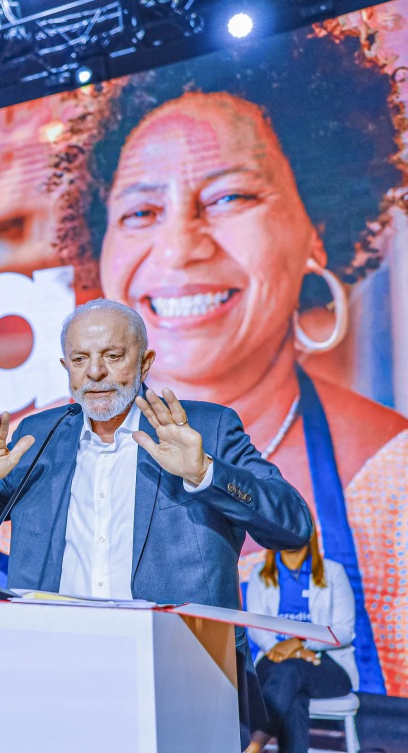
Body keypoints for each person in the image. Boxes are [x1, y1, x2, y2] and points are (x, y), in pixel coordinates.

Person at [88, 33, 407, 694]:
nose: (178, 249)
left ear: (315, 222)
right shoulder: (47, 454)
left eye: (230, 196)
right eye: (141, 211)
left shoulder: (395, 486)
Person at [0, 299, 313, 746]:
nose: (94, 372)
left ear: (146, 361)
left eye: (112, 356)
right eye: (80, 359)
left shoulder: (205, 428)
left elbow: (293, 525)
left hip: (181, 670)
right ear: (66, 366)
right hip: (54, 665)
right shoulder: (37, 436)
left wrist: (204, 473)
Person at [244, 531, 357, 753]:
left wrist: (300, 642)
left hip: (328, 665)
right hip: (274, 658)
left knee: (289, 674)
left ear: (308, 532)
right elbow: (256, 626)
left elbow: (344, 631)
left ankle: (253, 746)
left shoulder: (333, 572)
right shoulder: (260, 574)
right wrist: (285, 649)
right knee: (292, 693)